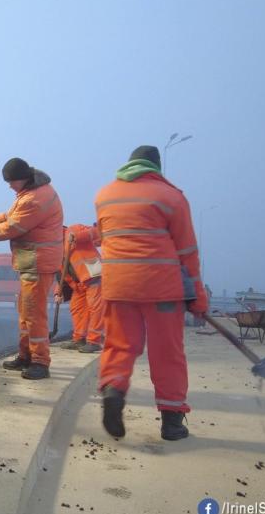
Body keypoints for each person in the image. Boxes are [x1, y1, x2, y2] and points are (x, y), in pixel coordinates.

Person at [95, 145, 207, 441]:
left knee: (119, 346)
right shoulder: (172, 198)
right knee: (167, 353)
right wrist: (198, 295)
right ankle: (172, 423)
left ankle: (113, 390)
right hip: (162, 291)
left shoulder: (104, 196)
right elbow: (187, 252)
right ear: (156, 168)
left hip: (118, 287)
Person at [0, 158, 63, 380]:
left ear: (22, 179)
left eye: (11, 182)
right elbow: (9, 215)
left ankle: (40, 362)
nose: (9, 186)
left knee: (34, 314)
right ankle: (25, 355)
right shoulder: (31, 192)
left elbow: (12, 227)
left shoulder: (35, 199)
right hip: (31, 261)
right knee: (25, 311)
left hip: (38, 262)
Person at [55, 223, 105, 353]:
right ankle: (79, 339)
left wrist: (77, 236)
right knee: (76, 309)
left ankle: (94, 341)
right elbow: (61, 273)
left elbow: (98, 233)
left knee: (95, 308)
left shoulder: (74, 229)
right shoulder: (53, 247)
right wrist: (58, 292)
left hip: (93, 275)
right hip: (78, 284)